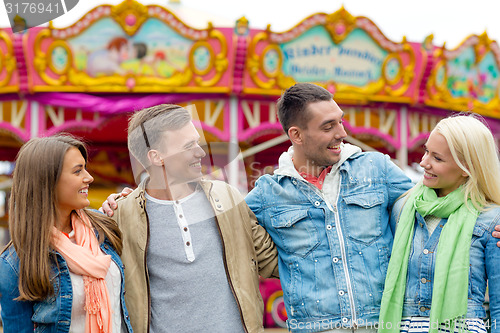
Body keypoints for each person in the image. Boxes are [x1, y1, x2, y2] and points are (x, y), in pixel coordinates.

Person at [243, 82, 414, 332]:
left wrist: (490, 223)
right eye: (328, 126)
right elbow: (229, 234)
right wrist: (280, 266)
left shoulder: (377, 168)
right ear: (296, 135)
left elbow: (430, 207)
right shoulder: (268, 193)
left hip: (383, 322)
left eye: (340, 121)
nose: (341, 133)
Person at [103, 104, 278, 333]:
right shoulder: (118, 215)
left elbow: (274, 262)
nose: (201, 152)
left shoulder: (227, 198)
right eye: (189, 146)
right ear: (157, 157)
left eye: (198, 142)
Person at [378, 114, 500, 333]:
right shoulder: (403, 208)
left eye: (437, 158)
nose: (424, 162)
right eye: (426, 151)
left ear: (466, 168)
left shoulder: (491, 220)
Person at [0, 135, 132, 333]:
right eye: (78, 171)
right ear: (47, 180)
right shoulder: (15, 262)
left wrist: (129, 205)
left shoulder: (103, 226)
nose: (89, 177)